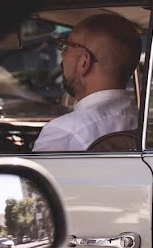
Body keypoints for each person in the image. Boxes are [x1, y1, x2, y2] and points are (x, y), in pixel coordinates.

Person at [32, 13, 141, 151]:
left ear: (84, 62)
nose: (62, 55)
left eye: (66, 47)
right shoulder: (141, 121)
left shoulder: (65, 133)